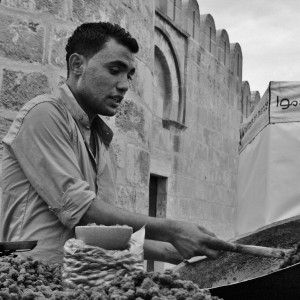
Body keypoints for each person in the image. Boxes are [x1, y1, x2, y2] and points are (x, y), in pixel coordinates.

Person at [0, 22, 233, 264]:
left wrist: (173, 251)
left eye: (129, 75)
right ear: (77, 65)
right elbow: (82, 211)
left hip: (81, 284)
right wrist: (173, 230)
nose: (124, 85)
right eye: (114, 70)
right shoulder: (44, 114)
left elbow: (99, 231)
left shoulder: (100, 141)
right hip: (30, 282)